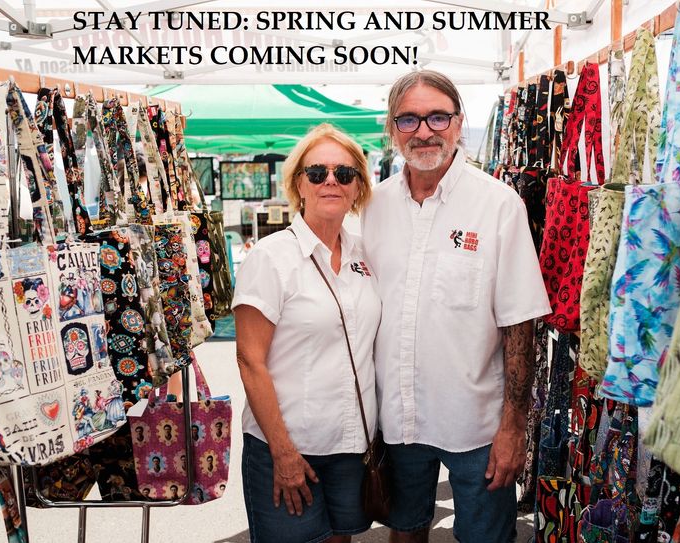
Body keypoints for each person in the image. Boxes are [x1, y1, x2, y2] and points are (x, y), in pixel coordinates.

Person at [361, 70, 552, 543]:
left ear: (459, 122)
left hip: (477, 424)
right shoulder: (372, 207)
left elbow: (520, 326)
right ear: (391, 128)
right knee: (406, 532)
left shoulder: (499, 204)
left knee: (486, 537)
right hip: (397, 418)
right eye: (408, 119)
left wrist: (514, 428)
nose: (424, 131)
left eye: (437, 117)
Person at [233, 123, 380, 543]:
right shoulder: (271, 257)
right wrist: (283, 452)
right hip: (289, 446)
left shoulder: (366, 253)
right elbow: (249, 360)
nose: (331, 181)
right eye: (317, 173)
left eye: (344, 173)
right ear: (299, 184)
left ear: (358, 187)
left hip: (351, 446)